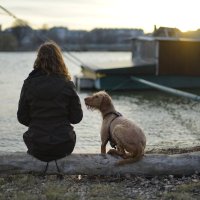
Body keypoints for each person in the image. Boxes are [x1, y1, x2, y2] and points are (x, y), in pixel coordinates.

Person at [17, 41, 83, 164]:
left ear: (38, 59)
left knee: (31, 136)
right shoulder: (67, 85)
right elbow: (76, 118)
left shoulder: (28, 84)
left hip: (36, 145)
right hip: (64, 144)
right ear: (59, 59)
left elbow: (22, 118)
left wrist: (38, 123)